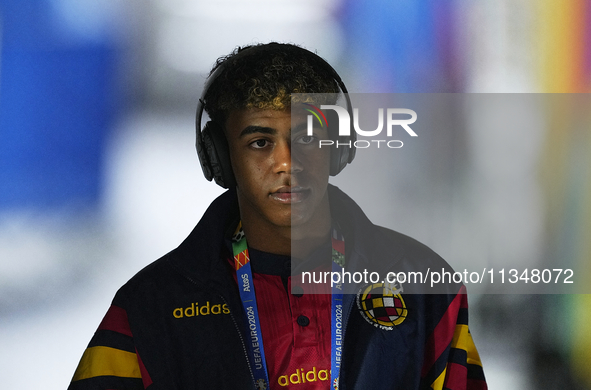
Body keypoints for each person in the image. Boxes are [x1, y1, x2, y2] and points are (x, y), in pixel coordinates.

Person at [68, 42, 487, 390]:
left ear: (339, 146)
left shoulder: (427, 287)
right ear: (219, 156)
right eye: (259, 143)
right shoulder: (149, 309)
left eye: (307, 137)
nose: (288, 163)